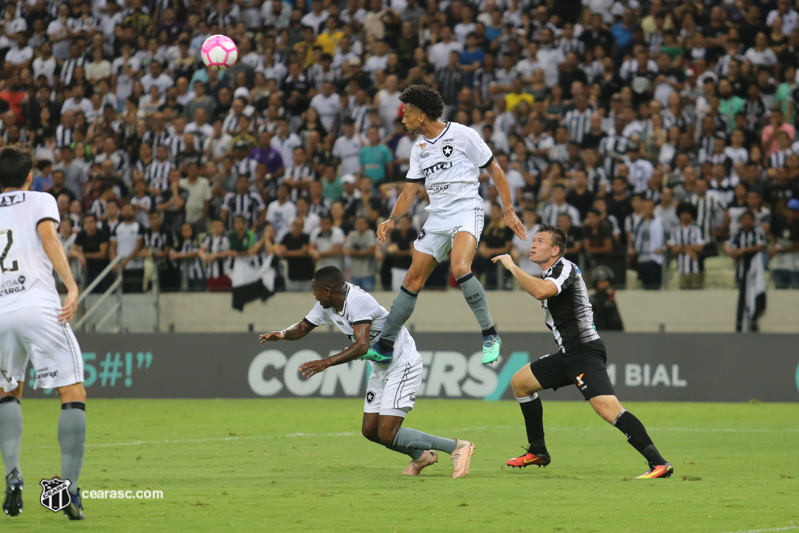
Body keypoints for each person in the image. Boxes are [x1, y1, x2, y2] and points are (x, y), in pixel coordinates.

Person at [491, 224, 673, 479]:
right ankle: (538, 450)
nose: (533, 244)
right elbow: (540, 288)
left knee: (608, 409)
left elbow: (540, 292)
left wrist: (512, 266)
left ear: (555, 250)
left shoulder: (565, 268)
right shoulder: (547, 275)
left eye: (540, 241)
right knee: (520, 383)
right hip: (568, 354)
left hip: (584, 352)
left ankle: (659, 464)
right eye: (534, 240)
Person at [259, 266, 476, 477]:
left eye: (315, 289)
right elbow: (302, 328)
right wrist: (282, 334)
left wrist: (326, 362)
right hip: (380, 366)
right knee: (370, 431)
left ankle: (456, 446)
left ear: (327, 291)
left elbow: (362, 345)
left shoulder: (357, 302)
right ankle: (421, 456)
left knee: (387, 432)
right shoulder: (326, 305)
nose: (313, 294)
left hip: (402, 363)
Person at [369, 85, 527, 365]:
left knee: (460, 268)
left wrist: (508, 210)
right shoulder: (418, 149)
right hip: (438, 216)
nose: (402, 119)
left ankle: (490, 334)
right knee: (411, 280)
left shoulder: (463, 135)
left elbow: (495, 169)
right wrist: (392, 219)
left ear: (420, 116)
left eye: (406, 114)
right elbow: (409, 192)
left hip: (467, 209)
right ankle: (385, 344)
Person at [0, 146, 86, 519]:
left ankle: (13, 476)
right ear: (29, 176)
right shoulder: (40, 199)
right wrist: (72, 285)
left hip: (1, 310)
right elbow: (49, 238)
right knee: (72, 391)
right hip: (37, 305)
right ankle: (67, 490)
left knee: (7, 390)